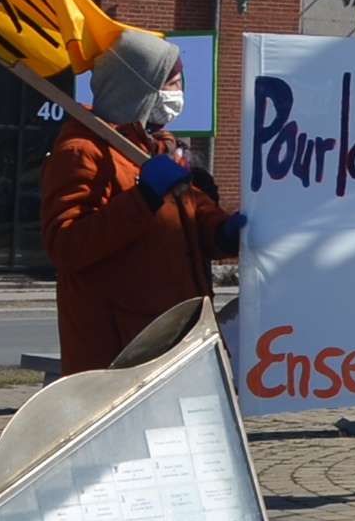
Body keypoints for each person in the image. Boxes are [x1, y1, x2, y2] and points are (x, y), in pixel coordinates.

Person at [42, 30, 238, 382]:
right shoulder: (82, 151)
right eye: (173, 83)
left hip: (174, 334)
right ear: (140, 88)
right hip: (120, 349)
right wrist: (143, 197)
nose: (179, 94)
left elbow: (191, 214)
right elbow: (66, 246)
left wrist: (223, 232)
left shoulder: (158, 147)